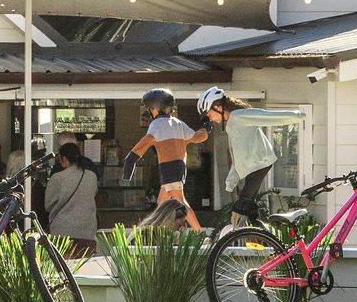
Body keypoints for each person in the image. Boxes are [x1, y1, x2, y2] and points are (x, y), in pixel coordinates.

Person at [199, 86, 306, 228]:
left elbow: (267, 117)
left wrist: (297, 116)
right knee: (248, 210)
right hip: (254, 168)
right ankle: (261, 235)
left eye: (209, 113)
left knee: (241, 207)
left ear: (217, 107)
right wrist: (231, 181)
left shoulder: (240, 116)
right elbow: (236, 155)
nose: (209, 118)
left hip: (260, 164)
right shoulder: (230, 124)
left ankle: (246, 235)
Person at [126, 88, 209, 232]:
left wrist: (129, 163)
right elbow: (197, 137)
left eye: (149, 109)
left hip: (169, 168)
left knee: (181, 201)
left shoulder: (156, 125)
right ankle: (161, 232)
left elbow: (143, 145)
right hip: (177, 167)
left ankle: (199, 234)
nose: (149, 112)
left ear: (155, 108)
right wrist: (207, 127)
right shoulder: (178, 123)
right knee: (161, 201)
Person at [44, 140, 99, 256]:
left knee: (64, 265)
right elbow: (93, 195)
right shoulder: (92, 176)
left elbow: (48, 205)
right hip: (87, 231)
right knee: (85, 264)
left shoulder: (57, 178)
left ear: (64, 159)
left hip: (62, 231)